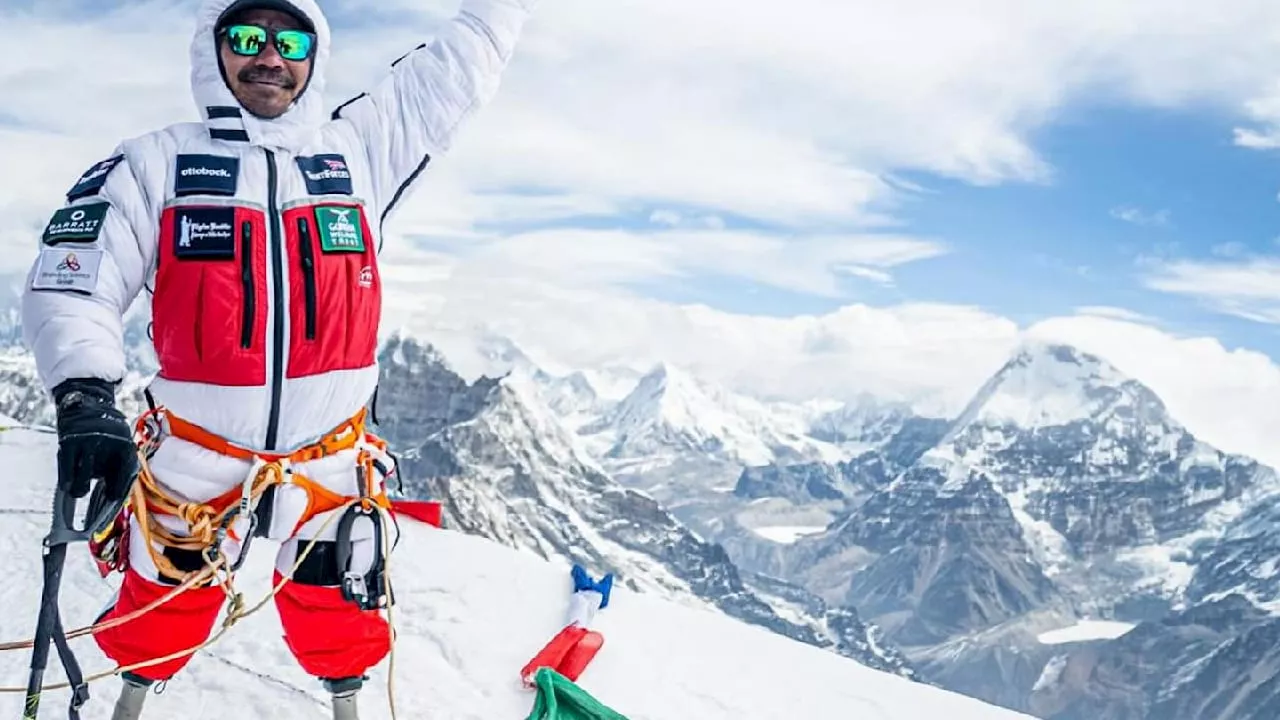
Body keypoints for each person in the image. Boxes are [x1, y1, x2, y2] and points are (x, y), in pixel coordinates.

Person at [19, 0, 538, 717]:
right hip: (192, 461)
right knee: (152, 624)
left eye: (291, 38)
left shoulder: (358, 151)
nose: (271, 55)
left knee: (343, 627)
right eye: (248, 36)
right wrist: (83, 393)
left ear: (315, 52)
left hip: (331, 460)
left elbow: (459, 63)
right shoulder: (155, 163)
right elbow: (73, 275)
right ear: (213, 48)